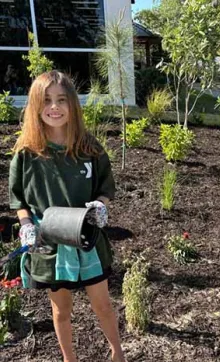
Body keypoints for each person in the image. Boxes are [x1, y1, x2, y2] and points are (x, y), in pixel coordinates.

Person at [9, 70, 127, 362]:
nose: (54, 107)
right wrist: (26, 225)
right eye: (47, 100)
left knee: (103, 305)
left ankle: (118, 353)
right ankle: (69, 359)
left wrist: (100, 205)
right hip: (50, 246)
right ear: (35, 106)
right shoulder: (26, 153)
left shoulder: (89, 147)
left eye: (62, 100)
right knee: (61, 311)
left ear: (73, 104)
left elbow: (105, 187)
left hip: (87, 241)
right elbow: (19, 200)